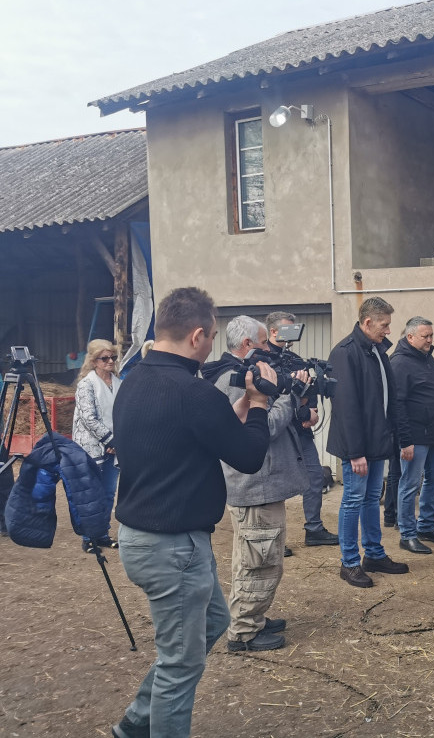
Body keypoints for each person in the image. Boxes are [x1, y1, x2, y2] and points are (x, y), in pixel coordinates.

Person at [110, 287, 274, 738]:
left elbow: (185, 433)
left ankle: (136, 723)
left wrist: (237, 408)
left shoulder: (134, 381)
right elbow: (248, 457)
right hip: (173, 547)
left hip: (141, 538)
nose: (212, 344)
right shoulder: (194, 392)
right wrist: (260, 404)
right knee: (181, 665)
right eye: (213, 336)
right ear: (197, 335)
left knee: (214, 622)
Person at [202, 316, 305, 653]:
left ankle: (250, 617)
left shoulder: (236, 372)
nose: (270, 350)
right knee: (260, 561)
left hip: (257, 484)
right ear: (247, 345)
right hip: (255, 484)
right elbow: (263, 426)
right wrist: (292, 397)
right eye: (263, 343)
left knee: (253, 556)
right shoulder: (237, 379)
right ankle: (245, 631)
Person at [327, 296, 412, 588]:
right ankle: (349, 562)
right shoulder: (345, 353)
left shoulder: (377, 350)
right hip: (359, 448)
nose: (388, 330)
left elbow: (389, 399)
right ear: (367, 322)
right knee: (353, 500)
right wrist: (355, 452)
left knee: (371, 499)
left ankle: (374, 554)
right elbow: (346, 407)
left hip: (378, 443)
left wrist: (399, 439)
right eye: (384, 325)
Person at [264, 311, 339, 549]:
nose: (293, 334)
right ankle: (274, 539)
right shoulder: (261, 360)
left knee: (315, 476)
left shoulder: (296, 361)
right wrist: (302, 408)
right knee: (275, 484)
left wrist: (311, 410)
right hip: (277, 431)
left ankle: (314, 529)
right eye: (288, 329)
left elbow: (309, 390)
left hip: (301, 431)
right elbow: (270, 397)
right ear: (273, 331)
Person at [390, 316, 434, 555]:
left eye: (431, 335)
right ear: (410, 337)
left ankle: (425, 526)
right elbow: (397, 405)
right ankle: (407, 534)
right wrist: (405, 440)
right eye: (425, 336)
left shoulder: (426, 357)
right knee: (410, 483)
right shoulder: (400, 363)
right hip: (415, 435)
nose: (430, 340)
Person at [71, 338, 121, 552]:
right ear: (93, 361)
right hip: (91, 447)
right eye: (104, 358)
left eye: (113, 357)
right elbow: (88, 418)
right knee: (91, 494)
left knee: (108, 492)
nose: (110, 361)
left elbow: (123, 413)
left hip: (113, 446)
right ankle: (88, 537)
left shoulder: (118, 383)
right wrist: (110, 439)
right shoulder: (86, 384)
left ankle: (102, 534)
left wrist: (115, 441)